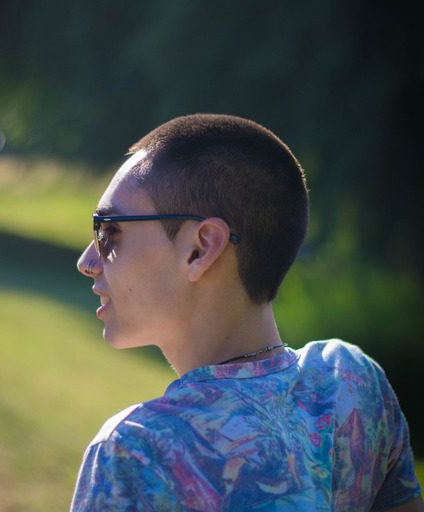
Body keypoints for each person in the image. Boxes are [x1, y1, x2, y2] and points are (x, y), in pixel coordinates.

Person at [71, 114, 422, 511]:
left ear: (201, 249)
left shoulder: (136, 449)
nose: (87, 261)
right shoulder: (353, 383)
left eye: (108, 231)